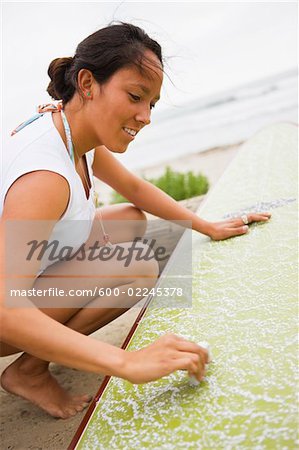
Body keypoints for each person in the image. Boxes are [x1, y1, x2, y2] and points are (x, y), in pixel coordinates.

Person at [0, 23, 271, 419]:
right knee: (136, 266)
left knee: (130, 219)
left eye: (152, 103)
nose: (145, 116)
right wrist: (129, 363)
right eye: (135, 96)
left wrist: (206, 225)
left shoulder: (71, 129)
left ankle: (38, 358)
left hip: (22, 262)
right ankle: (30, 370)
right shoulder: (45, 178)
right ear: (88, 83)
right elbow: (8, 311)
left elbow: (133, 188)